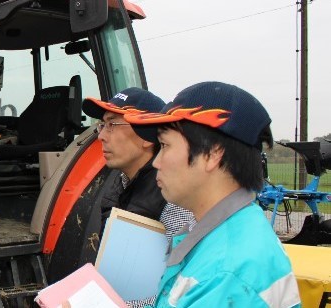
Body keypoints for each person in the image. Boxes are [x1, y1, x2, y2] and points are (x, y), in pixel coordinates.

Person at [124, 81, 301, 307]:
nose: (156, 162)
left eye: (165, 146)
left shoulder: (225, 273)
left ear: (212, 154)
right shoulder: (226, 231)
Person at [83, 88, 195, 238]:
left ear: (146, 137)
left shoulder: (174, 203)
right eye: (102, 125)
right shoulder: (120, 185)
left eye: (112, 125)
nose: (101, 136)